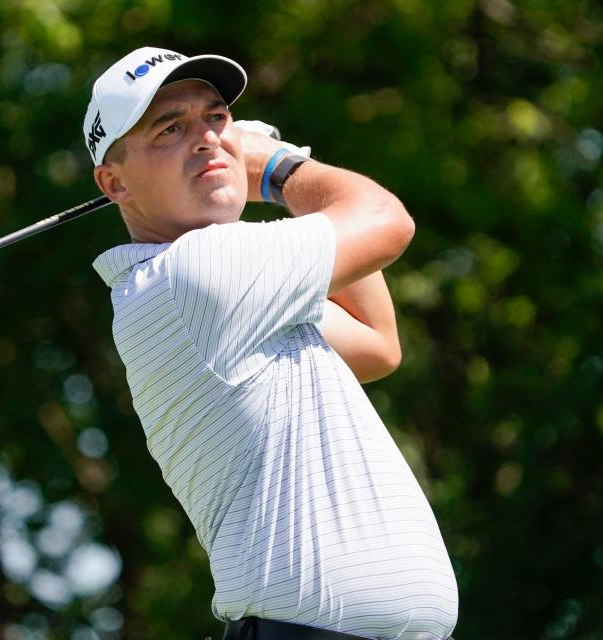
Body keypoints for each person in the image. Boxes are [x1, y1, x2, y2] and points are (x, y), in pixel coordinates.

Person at [84, 47, 458, 640]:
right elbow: (386, 221)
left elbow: (376, 344)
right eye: (170, 129)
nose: (207, 139)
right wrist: (277, 169)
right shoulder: (198, 274)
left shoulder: (216, 292)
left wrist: (263, 178)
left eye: (216, 118)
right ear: (114, 183)